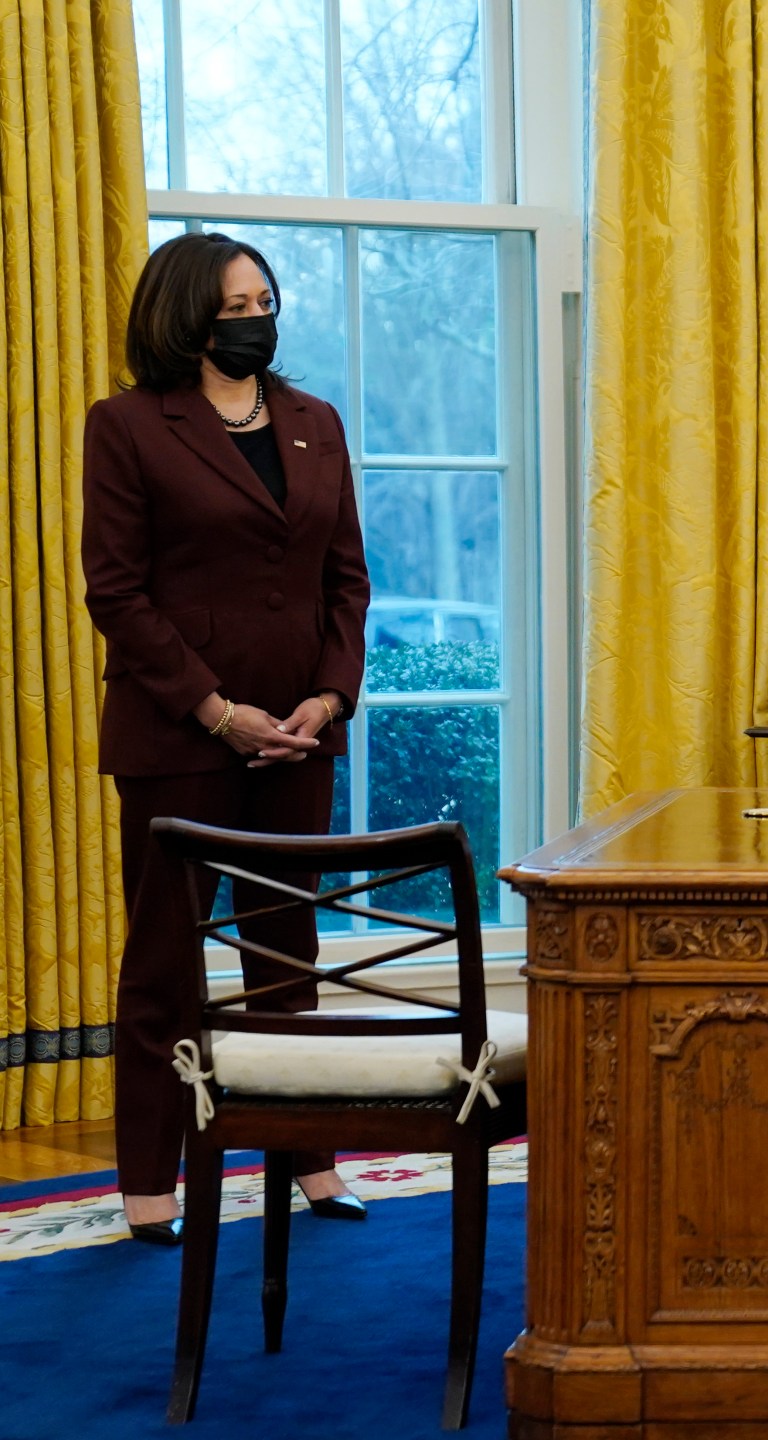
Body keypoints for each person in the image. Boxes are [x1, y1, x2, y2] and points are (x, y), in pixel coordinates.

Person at [83, 233, 374, 1244]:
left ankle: (309, 1161)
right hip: (179, 739)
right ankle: (147, 1185)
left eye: (265, 299)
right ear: (185, 316)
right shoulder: (126, 426)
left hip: (299, 735)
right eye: (234, 304)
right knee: (165, 965)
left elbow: (346, 578)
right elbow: (115, 591)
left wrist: (328, 701)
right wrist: (214, 708)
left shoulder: (314, 421)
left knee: (286, 958)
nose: (257, 316)